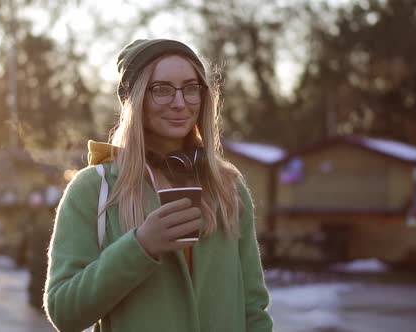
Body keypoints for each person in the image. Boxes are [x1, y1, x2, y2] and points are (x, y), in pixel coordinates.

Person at [44, 39, 274, 331]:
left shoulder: (227, 186)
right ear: (136, 99)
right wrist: (141, 246)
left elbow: (253, 308)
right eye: (162, 89)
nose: (180, 102)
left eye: (191, 88)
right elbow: (64, 311)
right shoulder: (93, 188)